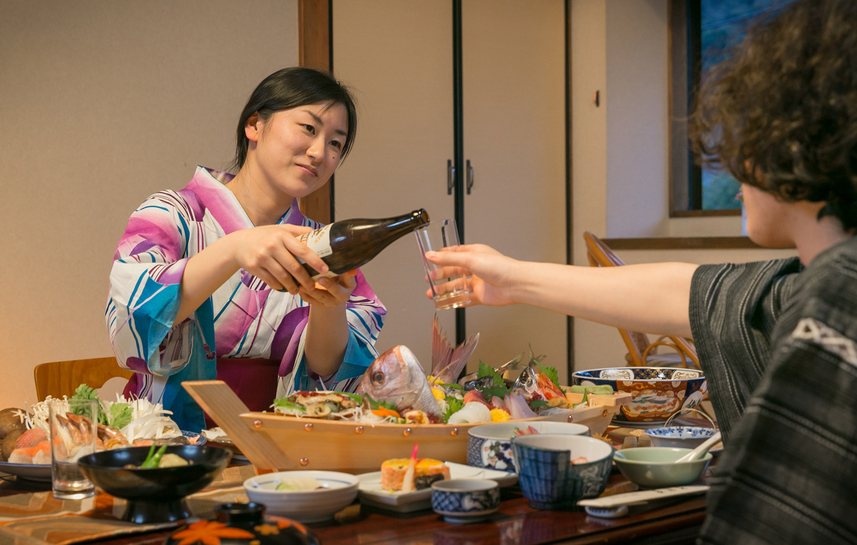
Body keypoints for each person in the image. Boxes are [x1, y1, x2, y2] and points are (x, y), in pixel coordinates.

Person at [426, 1, 856, 543]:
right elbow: (693, 295)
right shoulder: (817, 280)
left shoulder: (841, 294)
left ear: (797, 141)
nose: (729, 162)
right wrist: (509, 277)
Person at [106, 67, 386, 432]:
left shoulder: (322, 246)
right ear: (254, 125)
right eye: (308, 128)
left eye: (335, 143)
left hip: (275, 441)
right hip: (162, 437)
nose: (319, 152)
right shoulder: (171, 214)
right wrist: (234, 248)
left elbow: (329, 373)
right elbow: (133, 316)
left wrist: (327, 305)